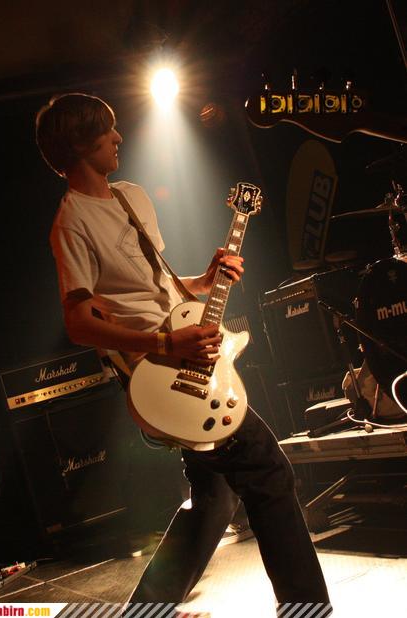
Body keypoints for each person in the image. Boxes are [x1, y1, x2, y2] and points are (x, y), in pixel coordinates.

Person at [36, 93, 332, 617]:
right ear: (81, 143)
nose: (119, 137)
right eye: (107, 131)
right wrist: (165, 344)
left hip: (185, 353)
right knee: (268, 473)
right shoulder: (71, 222)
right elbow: (79, 323)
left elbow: (157, 287)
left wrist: (204, 279)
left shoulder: (131, 196)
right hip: (159, 372)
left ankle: (146, 611)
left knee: (214, 500)